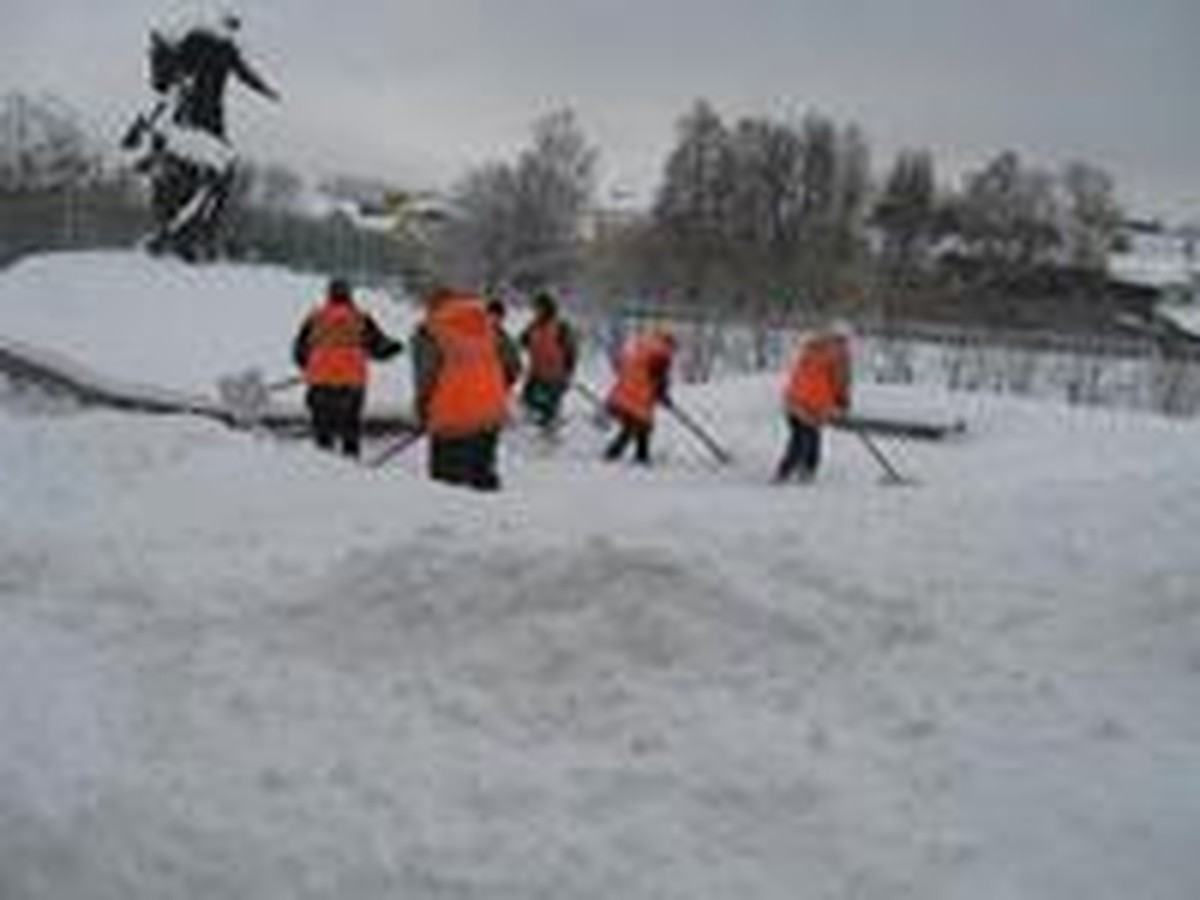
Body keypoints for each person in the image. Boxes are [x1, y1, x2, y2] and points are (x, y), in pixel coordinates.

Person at [125, 8, 279, 260]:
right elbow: (243, 73)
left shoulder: (207, 44)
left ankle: (187, 231)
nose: (233, 31)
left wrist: (265, 89)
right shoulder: (209, 42)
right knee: (215, 174)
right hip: (199, 121)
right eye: (232, 26)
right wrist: (266, 90)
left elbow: (243, 73)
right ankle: (185, 231)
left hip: (197, 120)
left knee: (208, 174)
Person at [411, 288, 520, 490]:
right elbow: (514, 366)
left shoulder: (430, 330)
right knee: (482, 477)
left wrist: (422, 410)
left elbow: (426, 377)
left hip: (452, 417)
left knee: (447, 490)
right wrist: (493, 389)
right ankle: (493, 518)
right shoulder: (488, 324)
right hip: (490, 414)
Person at [292, 278, 402, 458]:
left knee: (322, 432)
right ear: (350, 296)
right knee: (350, 431)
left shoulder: (315, 318)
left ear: (329, 296)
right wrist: (396, 348)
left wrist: (310, 369)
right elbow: (380, 348)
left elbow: (299, 352)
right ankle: (351, 471)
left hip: (321, 384)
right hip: (351, 385)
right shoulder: (360, 318)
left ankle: (322, 469)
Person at [774, 321, 853, 483]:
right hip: (813, 402)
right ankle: (807, 470)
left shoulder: (812, 347)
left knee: (798, 437)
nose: (846, 344)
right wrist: (843, 401)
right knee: (811, 437)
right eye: (844, 340)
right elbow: (840, 381)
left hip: (793, 400)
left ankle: (786, 470)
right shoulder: (839, 354)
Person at [603, 328, 677, 465]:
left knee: (635, 426)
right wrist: (664, 395)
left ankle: (635, 455)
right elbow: (659, 378)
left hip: (624, 392)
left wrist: (661, 394)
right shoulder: (662, 354)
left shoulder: (641, 347)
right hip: (639, 395)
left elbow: (622, 366)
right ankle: (626, 455)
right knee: (639, 426)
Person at [518, 292, 578, 431]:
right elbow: (522, 341)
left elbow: (571, 351)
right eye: (535, 308)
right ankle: (537, 425)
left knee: (549, 408)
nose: (536, 311)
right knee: (528, 401)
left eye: (539, 308)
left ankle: (550, 428)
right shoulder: (533, 326)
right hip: (536, 372)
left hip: (555, 375)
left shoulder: (561, 327)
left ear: (547, 308)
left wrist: (568, 373)